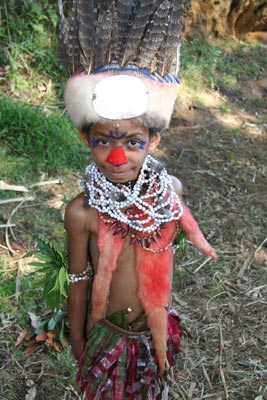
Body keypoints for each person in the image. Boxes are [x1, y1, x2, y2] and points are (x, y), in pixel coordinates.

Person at [59, 1, 217, 398]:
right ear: (85, 139)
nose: (117, 157)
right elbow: (78, 282)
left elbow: (164, 261)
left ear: (154, 140)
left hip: (153, 333)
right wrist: (79, 343)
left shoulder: (170, 193)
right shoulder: (83, 213)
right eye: (102, 142)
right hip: (105, 338)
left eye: (133, 142)